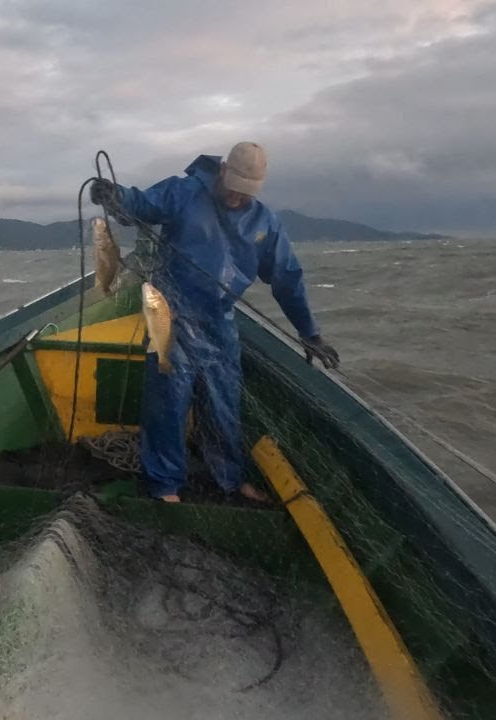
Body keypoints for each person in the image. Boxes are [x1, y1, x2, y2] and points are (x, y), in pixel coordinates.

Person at [90, 141, 339, 503]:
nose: (238, 197)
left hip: (220, 324)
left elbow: (287, 278)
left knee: (224, 403)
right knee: (168, 403)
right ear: (223, 170)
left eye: (246, 192)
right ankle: (164, 486)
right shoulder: (185, 192)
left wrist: (310, 332)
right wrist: (115, 196)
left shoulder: (265, 222)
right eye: (234, 187)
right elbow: (141, 205)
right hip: (171, 316)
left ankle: (230, 480)